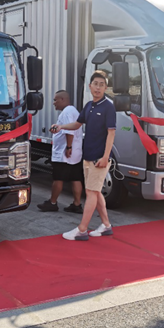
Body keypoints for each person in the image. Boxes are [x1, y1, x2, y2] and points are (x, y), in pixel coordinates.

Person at [50, 70, 116, 241]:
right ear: (90, 86)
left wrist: (105, 157)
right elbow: (77, 124)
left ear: (106, 88)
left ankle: (82, 229)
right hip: (88, 156)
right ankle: (106, 225)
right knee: (95, 192)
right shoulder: (89, 106)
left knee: (92, 192)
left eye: (102, 85)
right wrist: (61, 127)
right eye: (95, 84)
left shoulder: (108, 106)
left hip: (99, 158)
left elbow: (111, 133)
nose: (98, 88)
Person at [38, 90, 84, 213]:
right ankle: (77, 204)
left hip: (64, 154)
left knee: (58, 178)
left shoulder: (67, 112)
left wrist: (68, 147)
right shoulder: (73, 111)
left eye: (55, 100)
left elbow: (70, 131)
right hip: (75, 154)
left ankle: (52, 203)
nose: (54, 103)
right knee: (75, 178)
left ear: (62, 99)